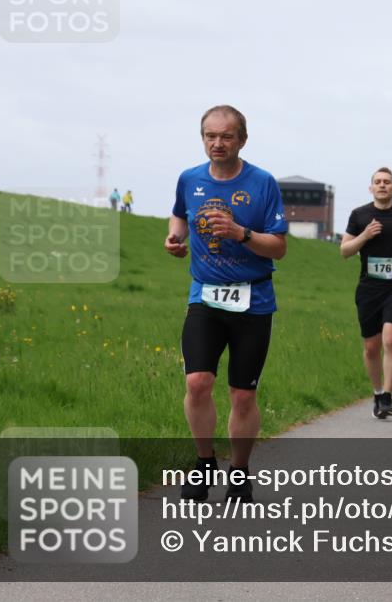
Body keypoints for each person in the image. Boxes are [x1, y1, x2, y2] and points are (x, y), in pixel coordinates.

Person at [164, 104, 288, 503]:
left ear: (242, 140)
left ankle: (239, 470)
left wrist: (240, 233)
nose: (217, 143)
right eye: (210, 136)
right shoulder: (189, 178)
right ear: (202, 138)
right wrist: (175, 239)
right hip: (205, 297)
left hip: (253, 301)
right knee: (197, 382)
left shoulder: (263, 183)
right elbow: (179, 217)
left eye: (226, 136)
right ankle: (203, 464)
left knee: (242, 394)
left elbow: (279, 248)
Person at [341, 167, 392, 419]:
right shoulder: (360, 215)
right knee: (372, 347)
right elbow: (345, 251)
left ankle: (387, 395)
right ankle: (376, 392)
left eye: (387, 182)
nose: (382, 185)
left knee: (391, 339)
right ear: (371, 188)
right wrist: (365, 235)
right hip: (368, 288)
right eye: (378, 182)